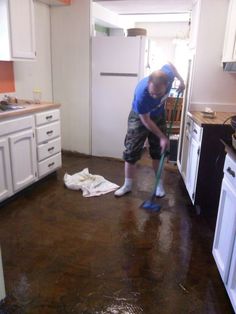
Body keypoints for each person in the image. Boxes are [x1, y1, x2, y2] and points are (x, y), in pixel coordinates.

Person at [114, 62, 185, 197]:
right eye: (152, 93)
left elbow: (170, 64)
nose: (155, 97)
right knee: (132, 150)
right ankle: (127, 185)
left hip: (158, 115)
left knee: (159, 152)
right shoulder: (142, 94)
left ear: (167, 84)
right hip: (140, 117)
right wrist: (163, 137)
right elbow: (145, 120)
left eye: (158, 94)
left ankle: (158, 185)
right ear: (148, 84)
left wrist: (181, 81)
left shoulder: (168, 75)